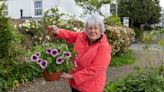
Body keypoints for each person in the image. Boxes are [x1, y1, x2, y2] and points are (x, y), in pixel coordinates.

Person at [48, 14, 111, 92]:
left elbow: (95, 70)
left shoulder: (104, 47)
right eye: (90, 28)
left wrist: (72, 76)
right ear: (86, 30)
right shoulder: (82, 36)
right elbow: (70, 35)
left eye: (96, 28)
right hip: (75, 84)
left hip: (90, 87)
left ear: (101, 30)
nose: (93, 31)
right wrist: (58, 31)